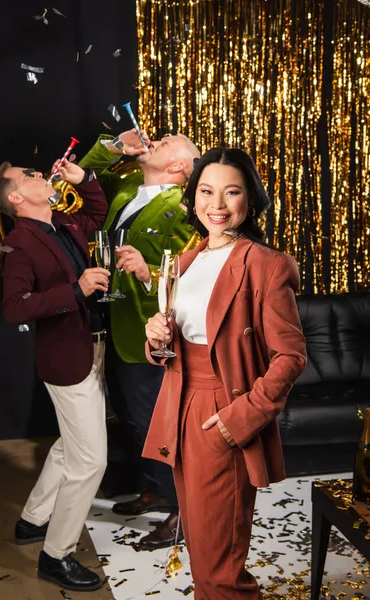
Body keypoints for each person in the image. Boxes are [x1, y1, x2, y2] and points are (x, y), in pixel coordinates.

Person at [144, 147, 307, 599]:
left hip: (223, 412)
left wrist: (241, 418)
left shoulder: (266, 265)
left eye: (231, 192)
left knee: (220, 566)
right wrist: (158, 339)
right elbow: (177, 344)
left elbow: (291, 356)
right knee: (202, 550)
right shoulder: (185, 261)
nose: (217, 205)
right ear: (193, 198)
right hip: (179, 408)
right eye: (207, 191)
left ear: (250, 200)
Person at [0, 159, 109, 592]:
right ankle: (55, 556)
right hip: (66, 359)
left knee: (68, 445)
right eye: (30, 176)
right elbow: (16, 307)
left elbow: (97, 217)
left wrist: (87, 180)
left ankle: (31, 520)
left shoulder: (60, 223)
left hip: (91, 347)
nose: (42, 175)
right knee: (90, 460)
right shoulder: (19, 243)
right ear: (17, 198)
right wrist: (76, 289)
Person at [79, 130, 200, 549]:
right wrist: (112, 147)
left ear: (179, 168)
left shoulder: (184, 208)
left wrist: (148, 272)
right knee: (133, 421)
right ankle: (156, 490)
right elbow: (83, 179)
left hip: (152, 333)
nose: (159, 139)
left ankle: (185, 512)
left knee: (159, 425)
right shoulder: (128, 185)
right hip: (115, 323)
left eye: (169, 142)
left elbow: (193, 273)